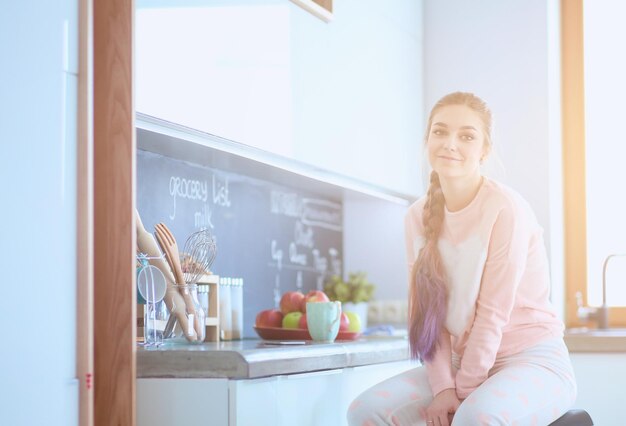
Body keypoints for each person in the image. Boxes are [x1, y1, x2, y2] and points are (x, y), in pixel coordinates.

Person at [346, 92, 577, 426]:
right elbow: (427, 316)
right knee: (365, 411)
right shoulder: (416, 217)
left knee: (474, 418)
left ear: (484, 150)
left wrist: (463, 391)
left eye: (466, 136)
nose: (450, 144)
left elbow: (492, 314)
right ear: (427, 140)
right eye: (440, 132)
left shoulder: (504, 208)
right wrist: (442, 388)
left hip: (532, 359)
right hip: (458, 362)